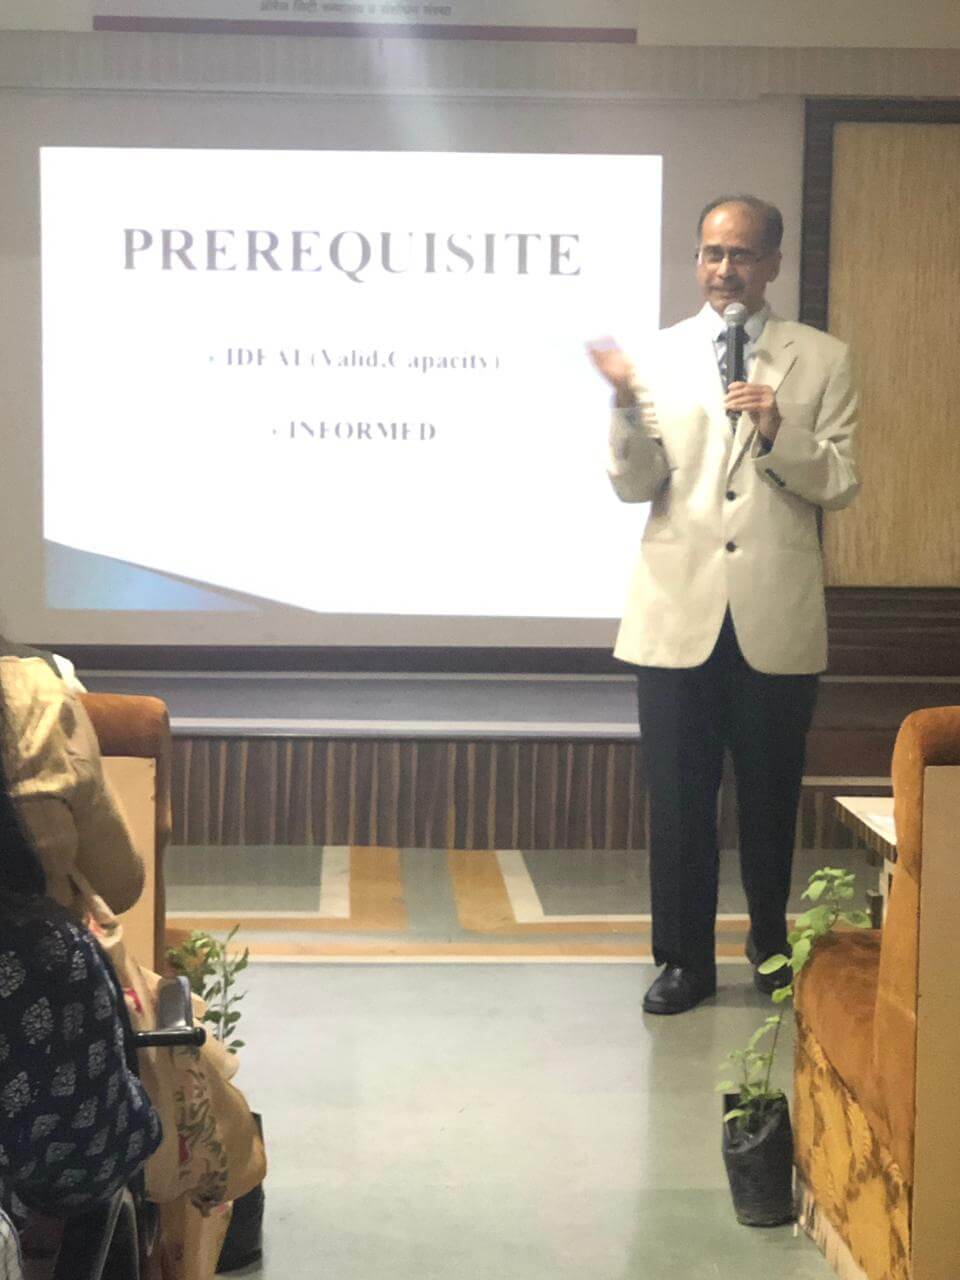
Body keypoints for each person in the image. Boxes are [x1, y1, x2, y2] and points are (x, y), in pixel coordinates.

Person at [588, 195, 860, 1014]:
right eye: (712, 253)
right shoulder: (654, 357)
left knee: (770, 802)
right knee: (678, 804)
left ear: (773, 262)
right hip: (677, 615)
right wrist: (622, 405)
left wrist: (779, 432)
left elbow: (840, 482)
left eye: (741, 254)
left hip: (774, 617)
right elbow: (634, 484)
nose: (724, 270)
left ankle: (771, 948)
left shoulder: (822, 357)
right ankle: (683, 961)